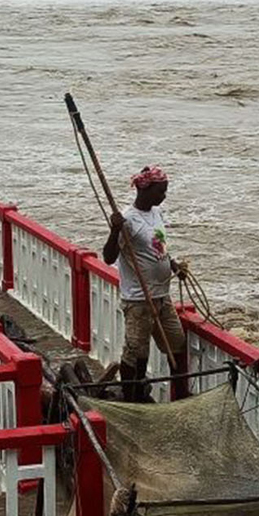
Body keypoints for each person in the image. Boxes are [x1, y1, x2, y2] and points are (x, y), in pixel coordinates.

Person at [101, 165, 190, 402]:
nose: (164, 196)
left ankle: (181, 395)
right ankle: (133, 398)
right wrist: (114, 230)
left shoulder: (156, 214)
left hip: (162, 296)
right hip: (139, 301)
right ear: (145, 189)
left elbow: (158, 249)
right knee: (136, 354)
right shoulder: (127, 220)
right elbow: (108, 257)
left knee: (178, 345)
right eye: (161, 191)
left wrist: (173, 265)